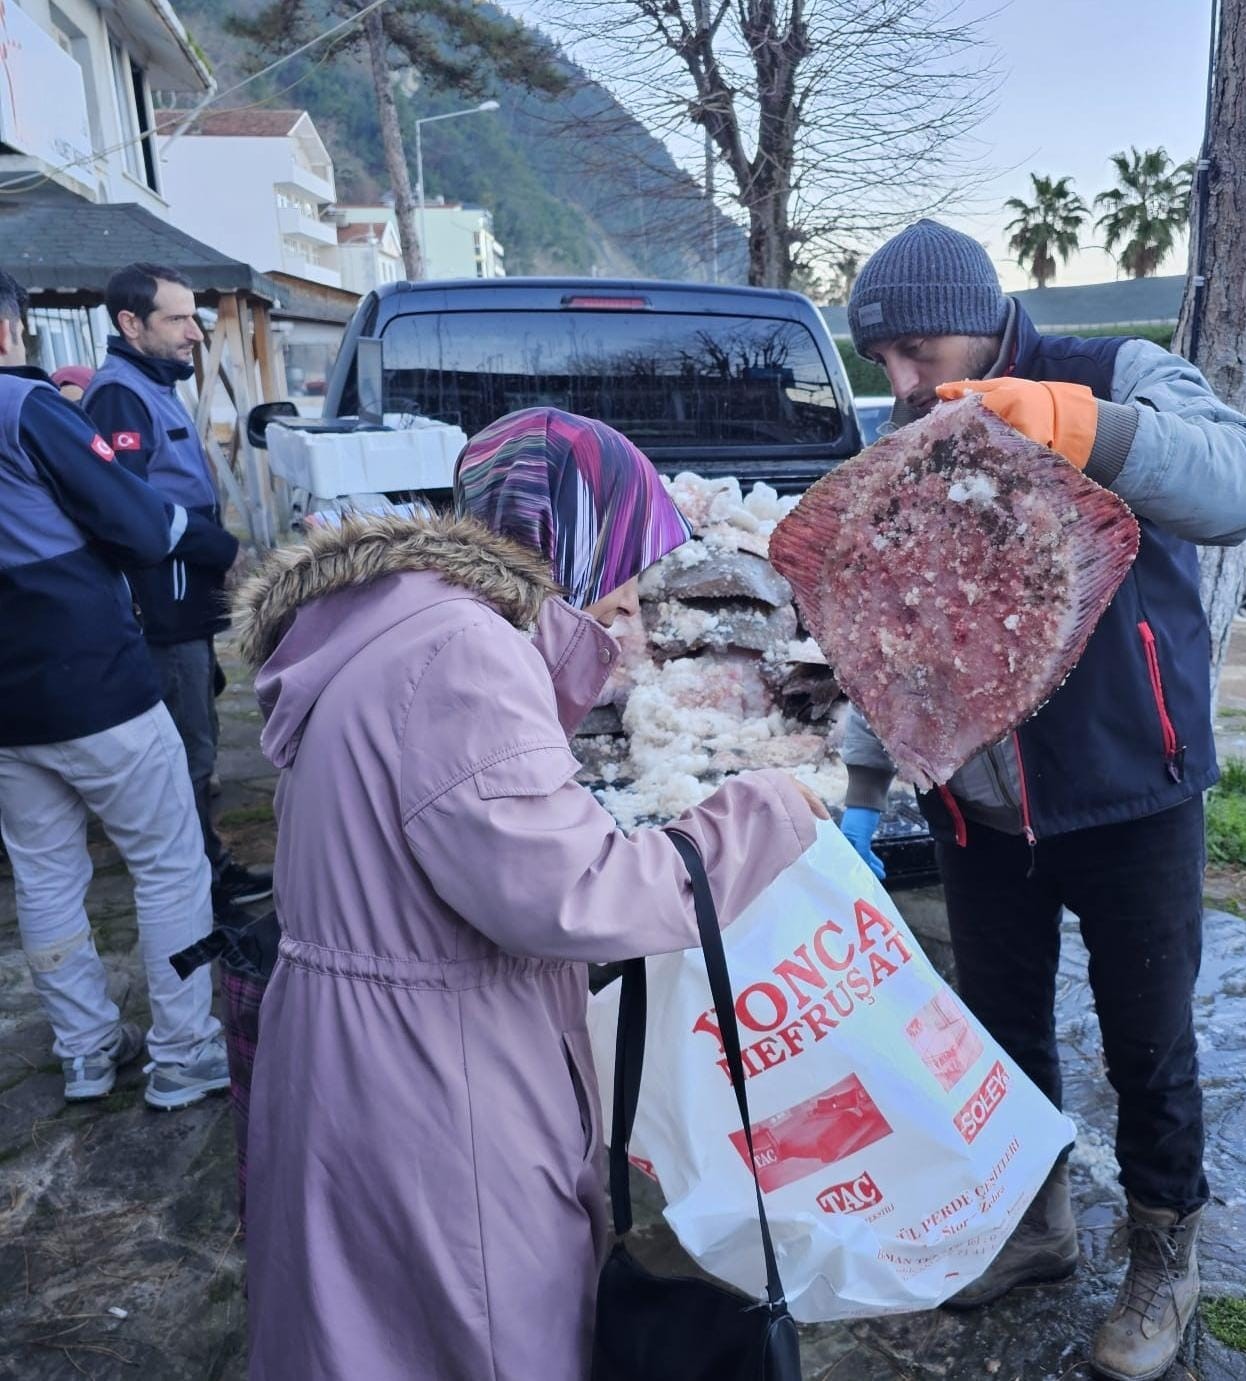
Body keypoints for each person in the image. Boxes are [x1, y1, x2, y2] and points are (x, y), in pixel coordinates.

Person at [235, 407, 826, 1381]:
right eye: (629, 576)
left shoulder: (406, 617)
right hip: (432, 1084)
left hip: (369, 1055)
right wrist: (766, 809)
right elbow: (575, 892)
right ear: (576, 541)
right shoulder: (464, 653)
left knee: (375, 1335)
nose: (633, 610)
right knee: (495, 1332)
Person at [837, 221, 1246, 1381]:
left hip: (1132, 790)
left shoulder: (1111, 374)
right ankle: (1036, 1227)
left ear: (980, 316)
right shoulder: (905, 436)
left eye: (916, 350)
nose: (902, 381)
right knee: (998, 1038)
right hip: (979, 809)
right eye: (881, 360)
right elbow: (884, 632)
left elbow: (1244, 483)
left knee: (1149, 1041)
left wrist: (1081, 428)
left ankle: (1162, 1258)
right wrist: (861, 784)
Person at [0, 268, 230, 1109]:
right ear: (7, 330)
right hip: (92, 678)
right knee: (171, 864)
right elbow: (134, 519)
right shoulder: (26, 407)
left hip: (7, 709)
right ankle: (185, 1050)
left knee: (47, 876)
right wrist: (209, 541)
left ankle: (87, 1050)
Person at [82, 264, 269, 916]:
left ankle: (206, 866)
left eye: (196, 317)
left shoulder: (153, 384)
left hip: (186, 607)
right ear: (130, 324)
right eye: (178, 318)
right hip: (159, 612)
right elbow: (129, 510)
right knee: (187, 752)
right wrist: (222, 549)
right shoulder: (119, 396)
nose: (195, 331)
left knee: (202, 735)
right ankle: (197, 889)